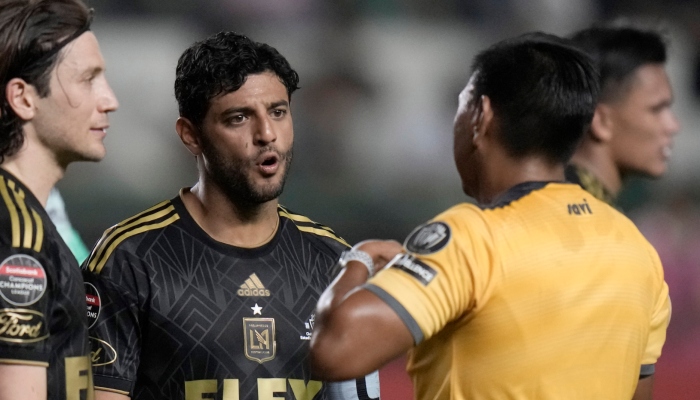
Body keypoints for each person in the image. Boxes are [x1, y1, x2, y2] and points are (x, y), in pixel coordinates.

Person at [309, 32, 670, 399]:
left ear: (482, 116)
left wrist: (359, 260)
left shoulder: (470, 239)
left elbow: (334, 351)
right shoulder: (637, 250)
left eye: (462, 105)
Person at [82, 31, 380, 400]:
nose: (267, 134)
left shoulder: (333, 262)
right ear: (191, 135)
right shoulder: (131, 259)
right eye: (239, 118)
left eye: (278, 112)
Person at [0, 0, 119, 399]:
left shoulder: (33, 219)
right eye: (89, 79)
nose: (109, 100)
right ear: (24, 98)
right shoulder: (18, 232)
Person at [566, 23, 680, 205]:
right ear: (601, 121)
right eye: (656, 109)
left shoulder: (560, 202)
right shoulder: (582, 218)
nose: (673, 126)